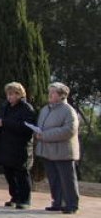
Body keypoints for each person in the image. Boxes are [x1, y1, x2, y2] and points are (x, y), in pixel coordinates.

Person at [0, 81, 35, 210]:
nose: (9, 97)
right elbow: (1, 122)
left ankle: (25, 200)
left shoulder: (26, 109)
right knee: (9, 174)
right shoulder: (6, 107)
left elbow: (26, 128)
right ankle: (15, 197)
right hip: (5, 146)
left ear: (19, 94)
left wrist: (4, 123)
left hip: (20, 147)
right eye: (8, 94)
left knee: (21, 174)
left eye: (12, 94)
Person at [35, 82, 79, 215]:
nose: (50, 94)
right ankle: (57, 203)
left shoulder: (68, 111)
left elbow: (68, 131)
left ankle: (71, 204)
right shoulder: (45, 109)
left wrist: (45, 135)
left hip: (63, 152)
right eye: (50, 91)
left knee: (67, 180)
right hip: (48, 152)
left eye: (53, 92)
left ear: (62, 95)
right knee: (54, 179)